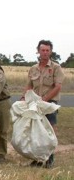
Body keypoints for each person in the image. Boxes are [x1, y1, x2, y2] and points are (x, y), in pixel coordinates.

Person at [22, 40, 65, 168]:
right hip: (35, 104)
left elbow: (57, 87)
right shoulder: (33, 69)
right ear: (38, 51)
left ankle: (50, 159)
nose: (45, 53)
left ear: (50, 51)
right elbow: (29, 85)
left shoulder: (56, 68)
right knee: (35, 131)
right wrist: (23, 98)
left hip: (49, 103)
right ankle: (38, 159)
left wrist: (45, 100)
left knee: (49, 131)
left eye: (47, 50)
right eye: (42, 50)